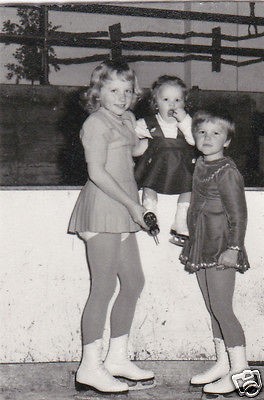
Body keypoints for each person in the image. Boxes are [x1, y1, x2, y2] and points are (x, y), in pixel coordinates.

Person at [68, 60, 154, 394]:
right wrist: (134, 205)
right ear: (98, 92)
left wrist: (150, 140)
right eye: (113, 90)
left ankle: (117, 358)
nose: (121, 97)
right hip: (103, 208)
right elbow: (97, 172)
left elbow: (132, 151)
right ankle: (89, 367)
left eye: (127, 91)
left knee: (133, 282)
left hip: (123, 209)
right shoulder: (95, 123)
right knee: (102, 288)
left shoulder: (128, 119)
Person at [180, 107, 250, 395]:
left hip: (222, 246)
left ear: (228, 141)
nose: (207, 137)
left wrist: (233, 248)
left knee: (223, 308)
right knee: (212, 308)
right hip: (202, 244)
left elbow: (239, 214)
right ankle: (224, 363)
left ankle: (242, 374)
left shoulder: (227, 171)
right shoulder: (201, 164)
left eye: (216, 133)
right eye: (202, 132)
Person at [134, 75, 195, 246]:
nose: (172, 104)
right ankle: (149, 212)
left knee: (190, 187)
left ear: (184, 103)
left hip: (181, 169)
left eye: (178, 100)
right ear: (155, 102)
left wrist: (183, 120)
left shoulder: (187, 123)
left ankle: (181, 221)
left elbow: (193, 140)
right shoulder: (147, 123)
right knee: (149, 184)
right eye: (166, 99)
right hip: (156, 168)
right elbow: (129, 134)